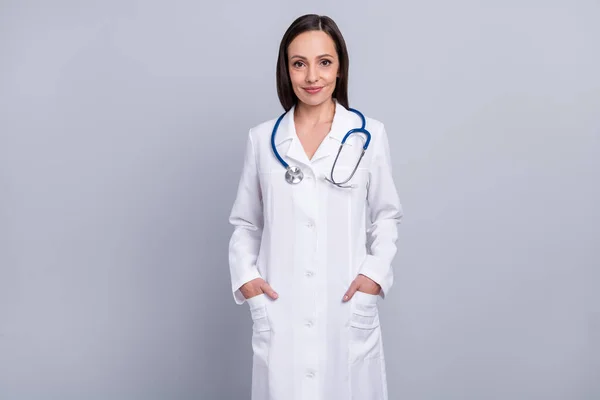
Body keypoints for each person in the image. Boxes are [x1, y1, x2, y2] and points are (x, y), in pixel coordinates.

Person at [228, 14, 403, 400]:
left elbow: (387, 214)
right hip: (281, 309)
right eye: (299, 63)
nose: (312, 76)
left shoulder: (368, 135)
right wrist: (247, 280)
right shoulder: (263, 140)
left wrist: (374, 274)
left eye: (324, 62)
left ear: (340, 67)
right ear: (286, 69)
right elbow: (245, 222)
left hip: (345, 305)